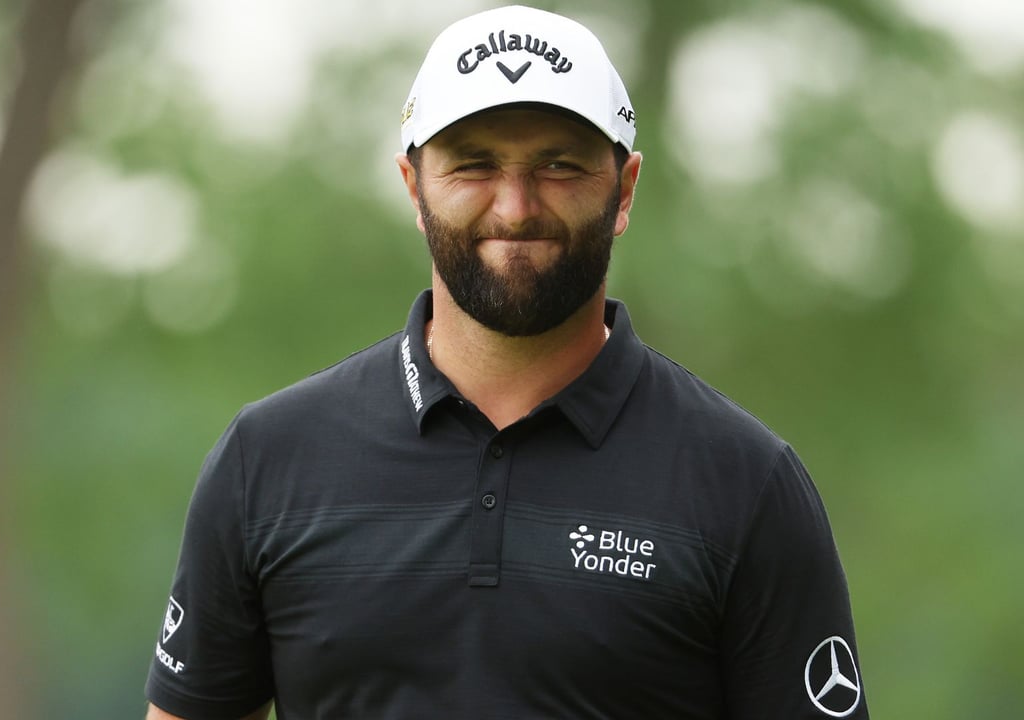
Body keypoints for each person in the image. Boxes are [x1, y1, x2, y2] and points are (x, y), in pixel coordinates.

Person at [144, 5, 868, 719]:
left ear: (625, 188)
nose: (516, 208)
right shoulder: (269, 460)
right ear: (413, 188)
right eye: (473, 165)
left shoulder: (743, 480)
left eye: (559, 165)